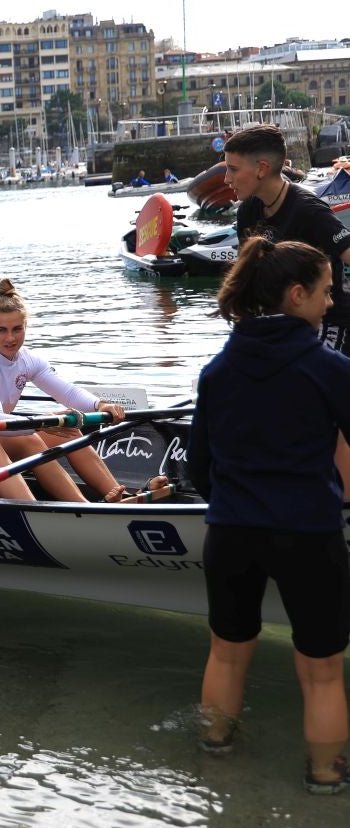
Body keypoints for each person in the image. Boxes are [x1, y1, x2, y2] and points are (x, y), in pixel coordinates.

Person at [187, 237, 350, 794]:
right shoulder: (329, 368)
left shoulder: (216, 371)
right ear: (297, 294)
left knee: (226, 656)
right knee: (322, 670)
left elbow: (199, 468)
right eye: (326, 292)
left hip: (231, 532)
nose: (331, 303)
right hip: (308, 533)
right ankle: (325, 775)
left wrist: (233, 498)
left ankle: (214, 754)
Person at [227, 123, 350, 497]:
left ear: (261, 169)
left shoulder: (309, 209)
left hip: (332, 317)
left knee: (329, 411)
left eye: (233, 169)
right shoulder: (248, 212)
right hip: (281, 324)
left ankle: (345, 499)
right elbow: (247, 275)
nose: (226, 178)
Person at [0, 279, 134, 502]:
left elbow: (67, 393)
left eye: (17, 329)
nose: (10, 338)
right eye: (1, 330)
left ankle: (122, 497)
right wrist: (47, 420)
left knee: (69, 431)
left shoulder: (28, 360)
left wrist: (100, 405)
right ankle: (83, 508)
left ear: (26, 327)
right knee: (31, 440)